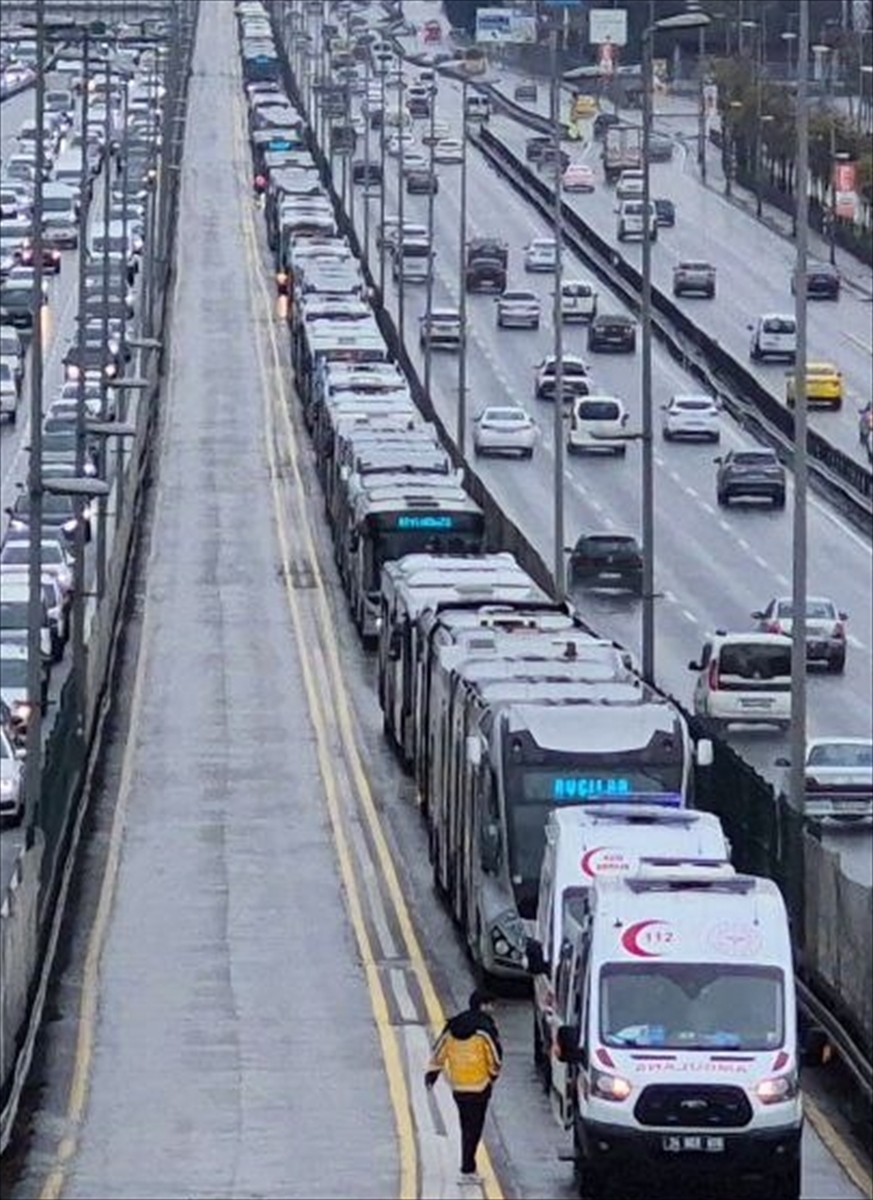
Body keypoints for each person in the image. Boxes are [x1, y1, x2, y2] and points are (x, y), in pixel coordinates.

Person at [425, 989, 502, 1186]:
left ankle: (468, 1166)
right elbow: (494, 1057)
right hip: (480, 1086)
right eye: (490, 1004)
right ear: (483, 1005)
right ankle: (467, 1168)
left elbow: (439, 1051)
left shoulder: (453, 1026)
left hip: (459, 1086)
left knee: (465, 1124)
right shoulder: (485, 1029)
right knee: (474, 1128)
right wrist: (492, 1076)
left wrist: (432, 1075)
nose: (493, 1009)